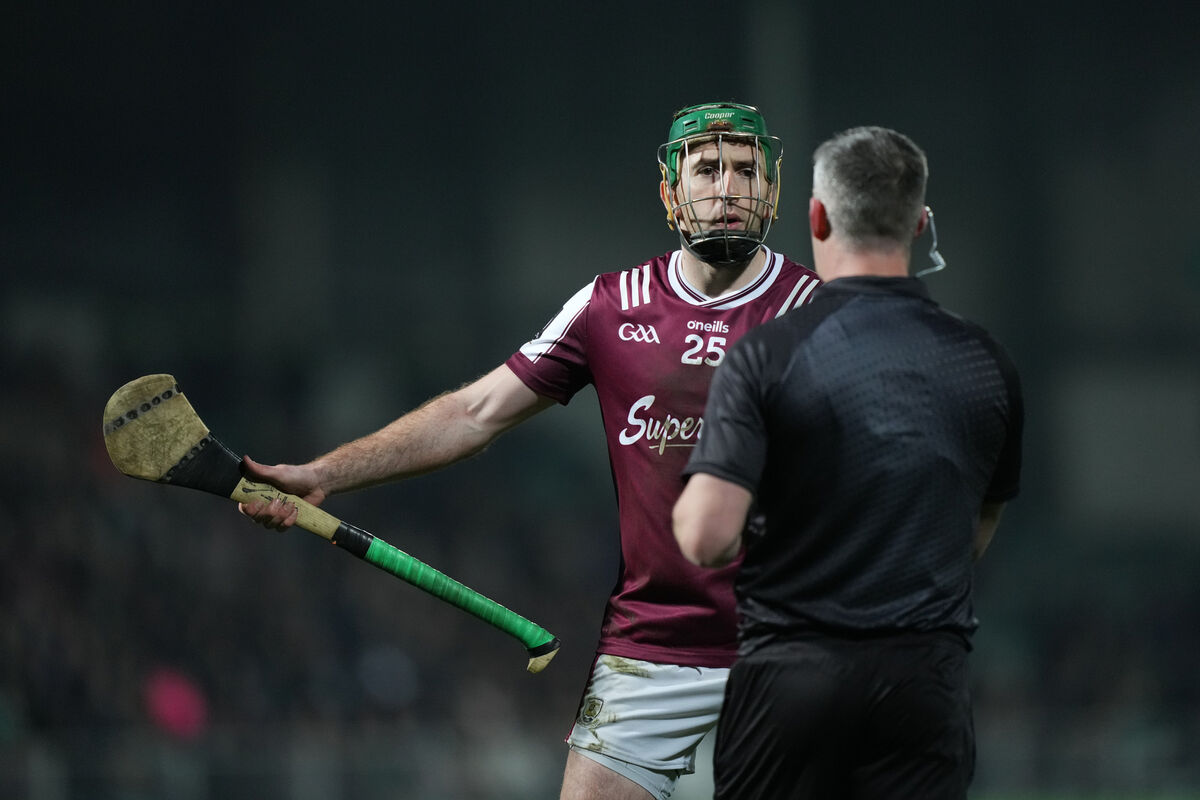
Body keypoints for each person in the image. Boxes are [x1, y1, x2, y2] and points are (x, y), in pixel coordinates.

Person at [238, 102, 821, 800]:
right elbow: (473, 412)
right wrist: (323, 472)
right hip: (652, 650)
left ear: (774, 188)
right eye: (707, 169)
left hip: (794, 645)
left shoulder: (819, 311)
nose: (728, 187)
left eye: (747, 169)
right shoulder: (611, 307)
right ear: (671, 190)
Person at [672, 126, 1024, 800]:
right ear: (920, 223)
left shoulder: (766, 356)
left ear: (817, 216)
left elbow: (706, 537)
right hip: (926, 686)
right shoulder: (987, 365)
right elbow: (975, 528)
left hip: (792, 681)